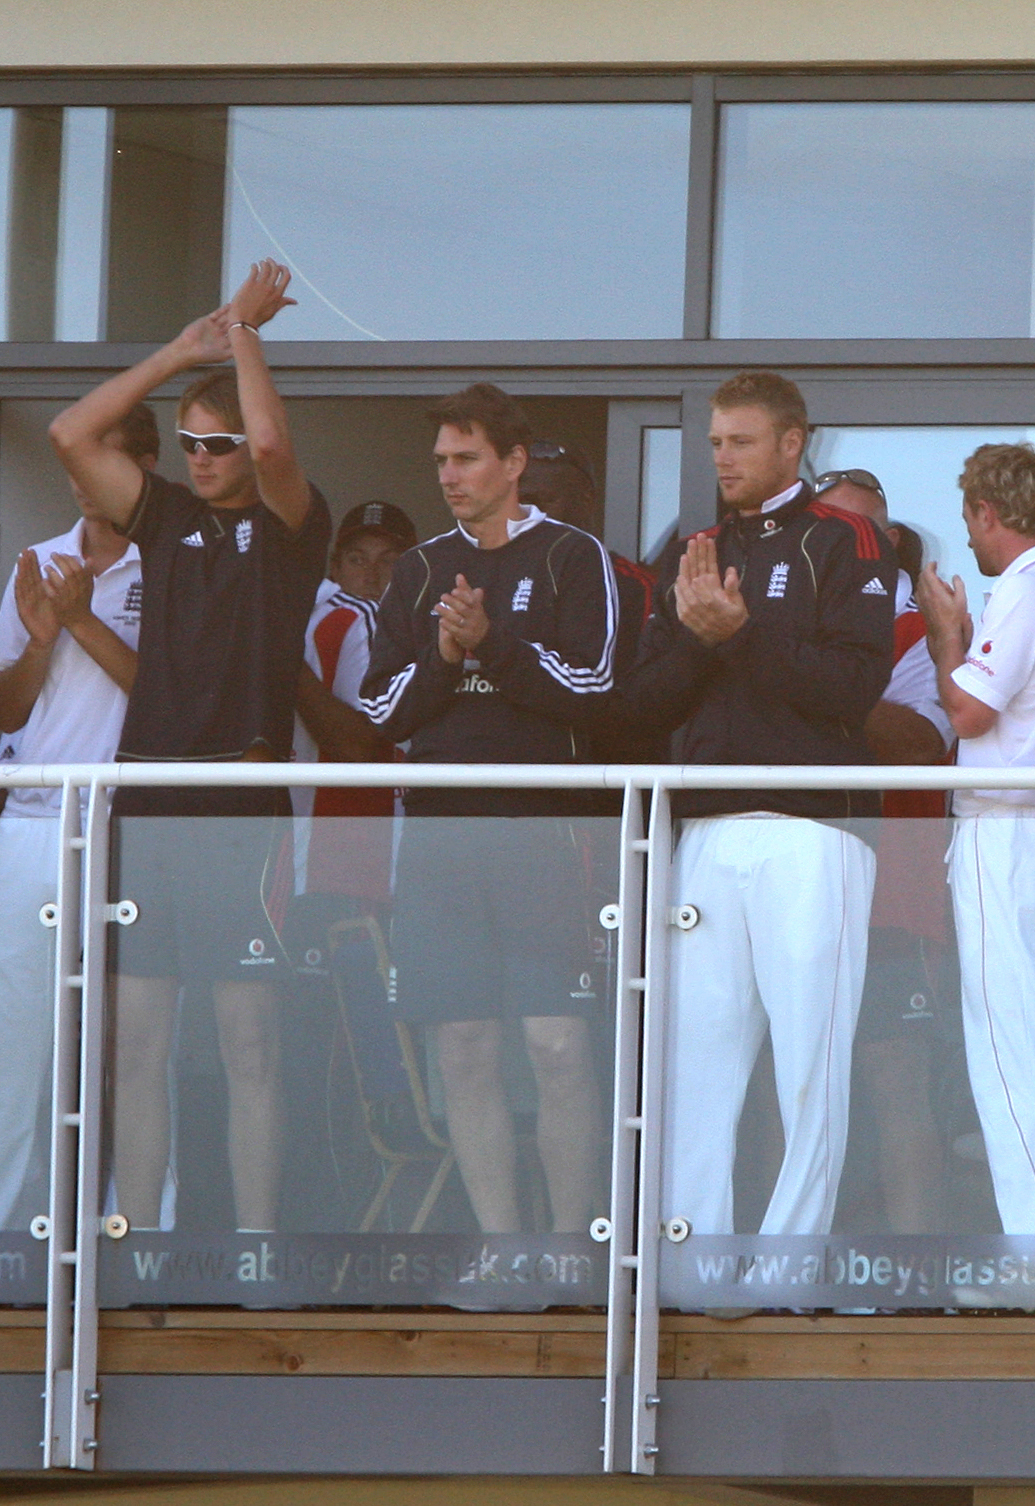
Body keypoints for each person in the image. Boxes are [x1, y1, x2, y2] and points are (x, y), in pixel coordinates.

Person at [47, 259, 330, 1233]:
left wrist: (245, 337)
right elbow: (71, 434)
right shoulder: (163, 515)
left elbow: (276, 440)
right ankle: (139, 1242)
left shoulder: (293, 527)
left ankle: (252, 1249)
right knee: (137, 1045)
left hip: (241, 813)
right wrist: (180, 349)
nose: (204, 457)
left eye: (218, 444)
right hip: (150, 805)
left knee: (248, 1041)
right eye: (189, 443)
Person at [617, 372, 892, 1239]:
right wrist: (705, 644)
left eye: (739, 441)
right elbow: (643, 702)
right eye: (712, 442)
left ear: (790, 443)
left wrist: (741, 634)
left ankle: (790, 1267)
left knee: (810, 1067)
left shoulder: (848, 540)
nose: (722, 457)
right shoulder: (689, 547)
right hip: (703, 827)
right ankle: (688, 1260)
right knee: (694, 1065)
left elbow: (852, 688)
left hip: (814, 832)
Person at [357, 384, 626, 1234]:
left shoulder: (574, 557)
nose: (449, 475)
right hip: (439, 836)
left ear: (514, 463)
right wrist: (445, 652)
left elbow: (596, 689)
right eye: (441, 459)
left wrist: (493, 646)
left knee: (558, 1047)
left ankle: (567, 1247)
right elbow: (380, 709)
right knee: (464, 1051)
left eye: (466, 458)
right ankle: (505, 1248)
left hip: (544, 834)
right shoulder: (420, 567)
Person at [914, 442, 1035, 1235]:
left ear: (987, 513)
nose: (965, 538)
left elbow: (968, 715)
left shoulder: (1027, 592)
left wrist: (944, 638)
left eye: (968, 518)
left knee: (1009, 1053)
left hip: (1013, 835)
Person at [0, 434, 145, 1233]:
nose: (85, 481)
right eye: (76, 465)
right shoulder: (37, 559)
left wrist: (82, 621)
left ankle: (135, 1231)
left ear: (142, 473)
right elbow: (5, 709)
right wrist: (40, 637)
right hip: (30, 821)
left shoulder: (174, 561)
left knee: (131, 1048)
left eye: (106, 462)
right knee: (5, 1042)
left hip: (131, 829)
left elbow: (166, 696)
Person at [814, 467, 963, 1232]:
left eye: (856, 529)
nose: (836, 542)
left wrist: (807, 685)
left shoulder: (915, 627)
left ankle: (914, 1281)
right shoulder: (778, 619)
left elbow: (922, 741)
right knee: (793, 1084)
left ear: (889, 542)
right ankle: (785, 1273)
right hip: (798, 892)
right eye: (822, 526)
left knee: (895, 1084)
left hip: (893, 899)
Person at [295, 500, 414, 910]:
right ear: (335, 567)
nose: (371, 575)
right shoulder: (359, 616)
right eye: (357, 559)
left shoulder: (307, 614)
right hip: (351, 844)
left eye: (389, 561)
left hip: (311, 841)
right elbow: (361, 745)